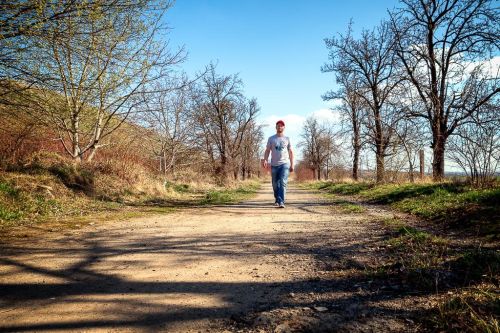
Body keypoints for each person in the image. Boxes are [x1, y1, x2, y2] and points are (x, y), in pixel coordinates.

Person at [262, 120, 294, 208]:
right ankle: (277, 199)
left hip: (284, 164)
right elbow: (267, 150)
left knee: (283, 182)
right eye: (278, 125)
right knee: (275, 183)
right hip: (274, 164)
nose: (280, 127)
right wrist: (265, 159)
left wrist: (292, 164)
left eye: (281, 126)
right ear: (276, 127)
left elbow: (290, 152)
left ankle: (281, 201)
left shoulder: (287, 139)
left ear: (284, 127)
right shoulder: (271, 138)